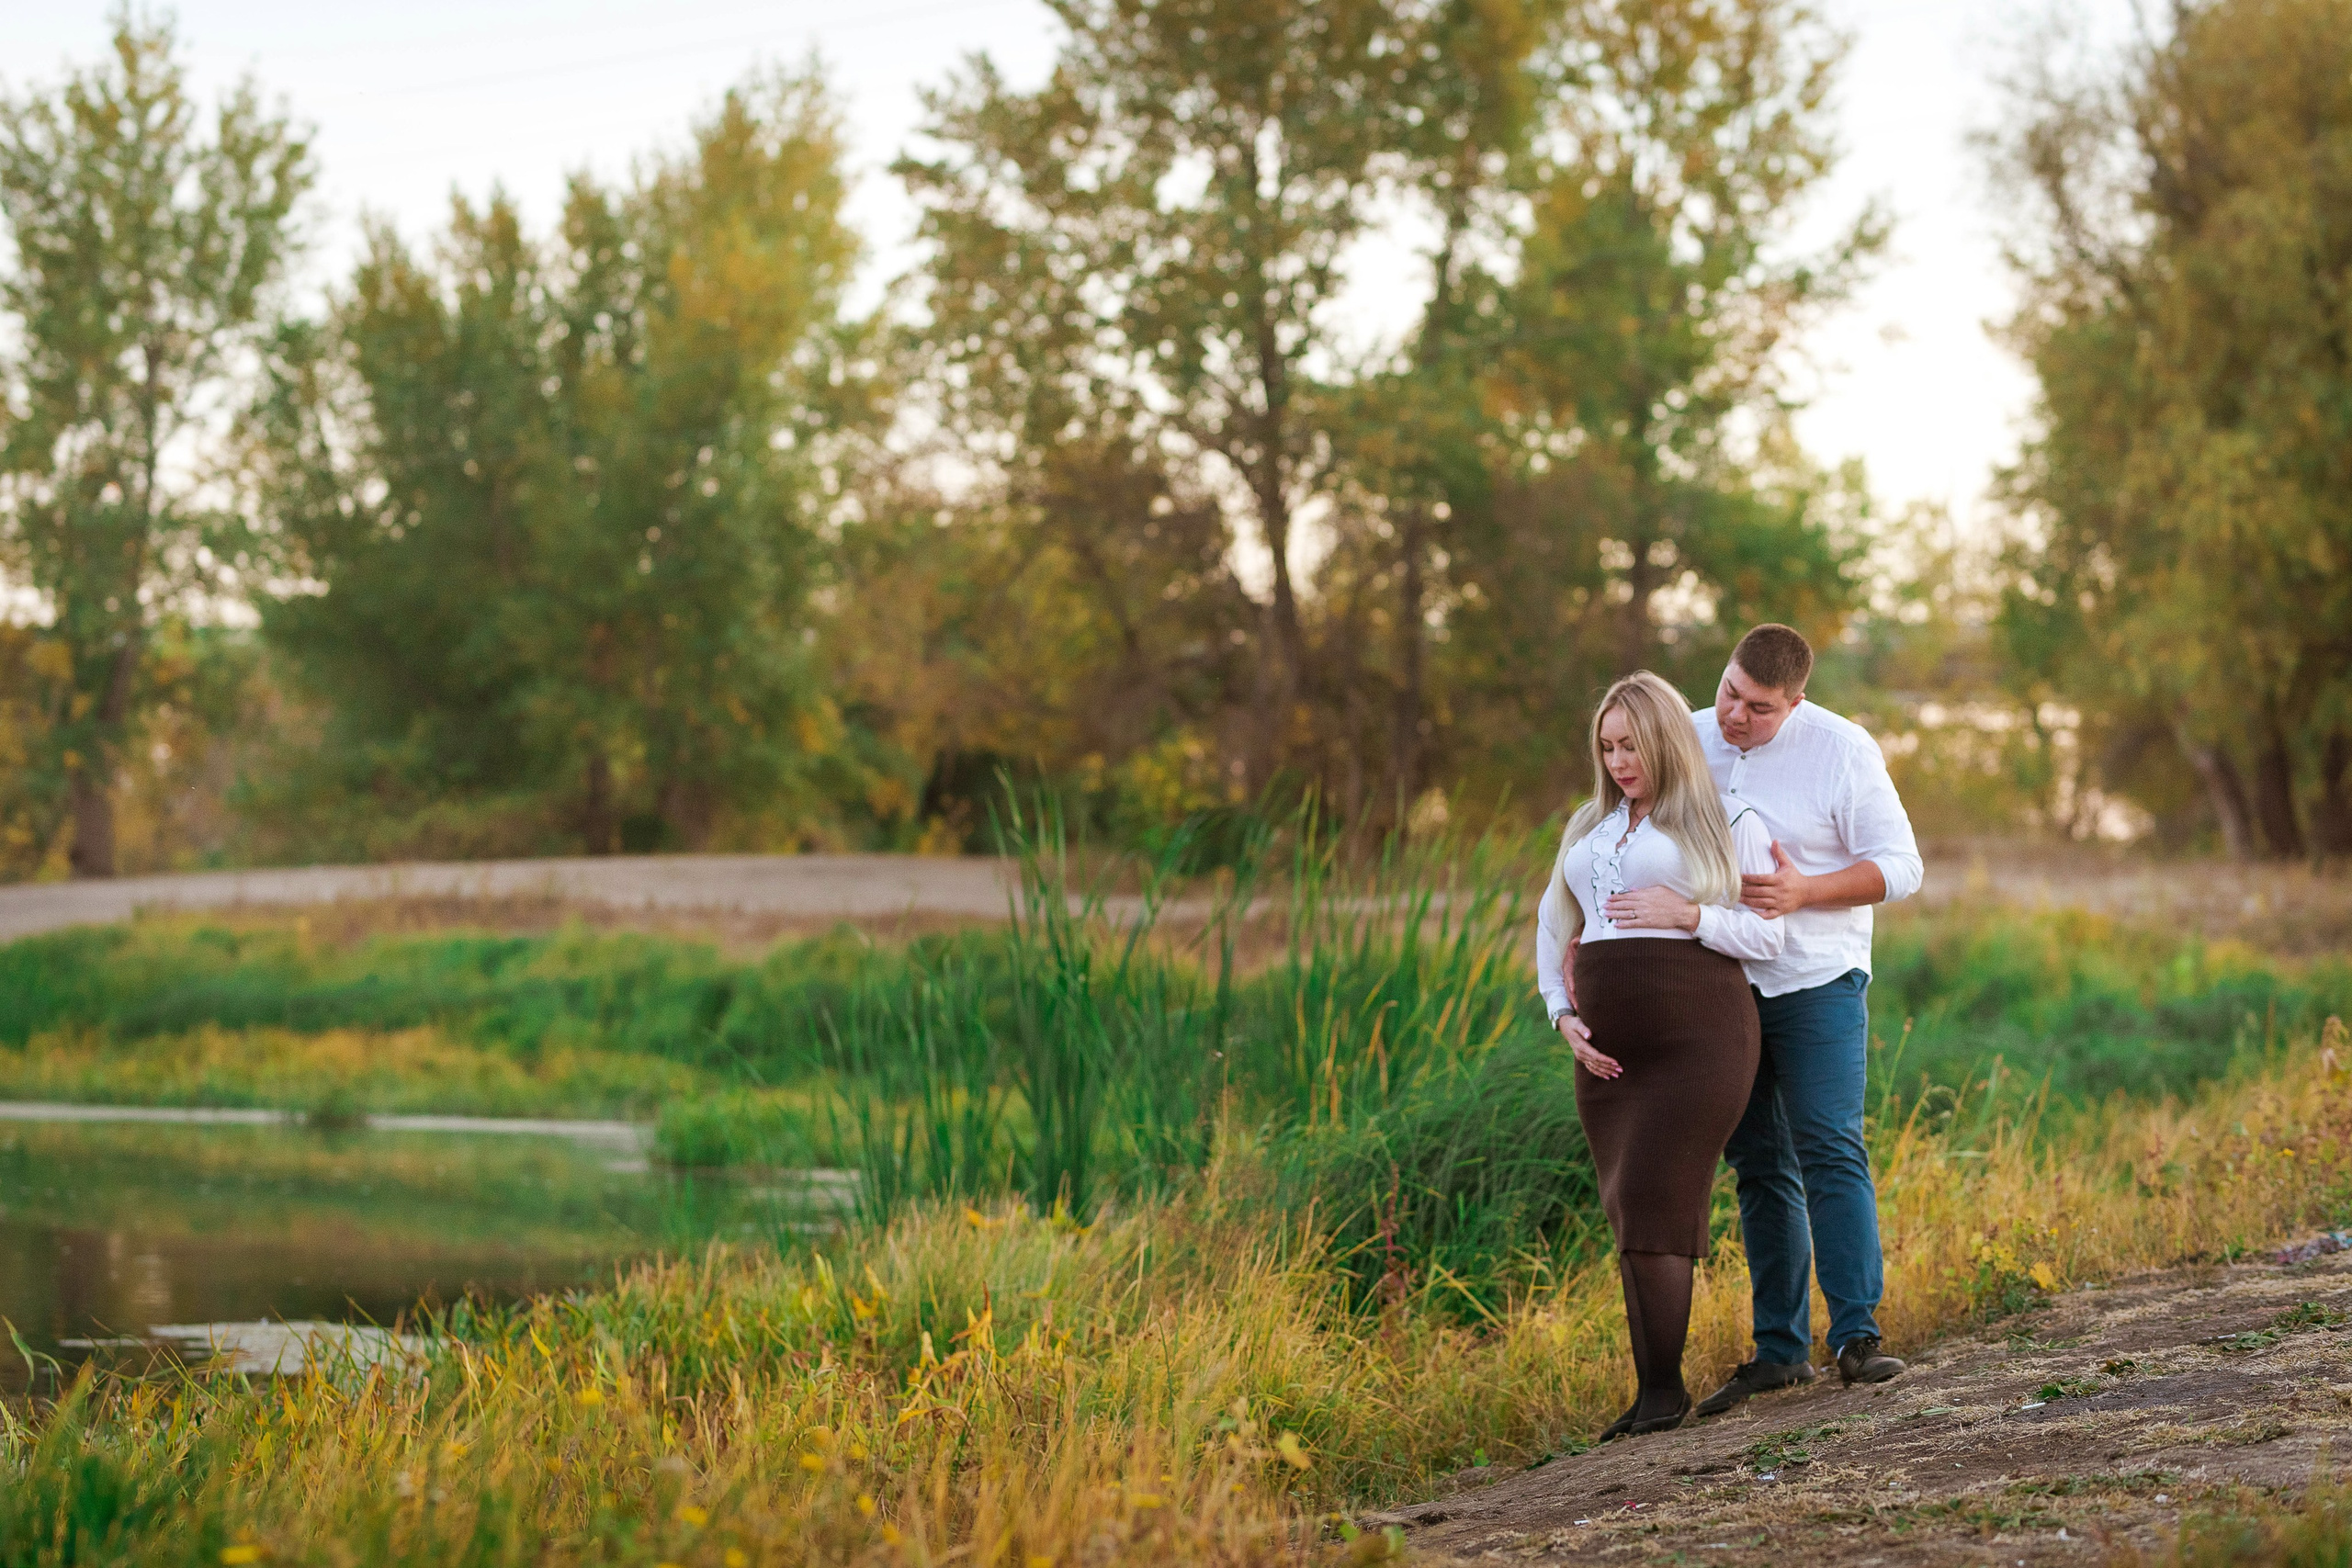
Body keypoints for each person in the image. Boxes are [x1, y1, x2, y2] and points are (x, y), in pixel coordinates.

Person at [1534, 671, 1786, 1439]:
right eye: (1607, 747)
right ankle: (1654, 1395)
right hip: (1608, 1054)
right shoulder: (1589, 824)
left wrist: (1691, 913)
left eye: (1631, 745)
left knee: (1656, 1197)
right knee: (1626, 1206)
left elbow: (1768, 936)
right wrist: (1562, 1014)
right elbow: (1554, 926)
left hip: (1698, 1037)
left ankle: (1662, 1393)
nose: (1617, 761)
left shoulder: (1726, 818)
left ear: (1667, 739)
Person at [1680, 623, 1925, 1412]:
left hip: (1819, 977)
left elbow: (1901, 866)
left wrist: (1804, 890)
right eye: (1728, 691)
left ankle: (1857, 1336)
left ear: (1795, 702)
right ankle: (1780, 1351)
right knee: (1758, 1163)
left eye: (1757, 707)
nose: (1733, 716)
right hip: (1724, 981)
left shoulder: (1844, 749)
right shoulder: (1686, 737)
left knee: (1829, 1143)